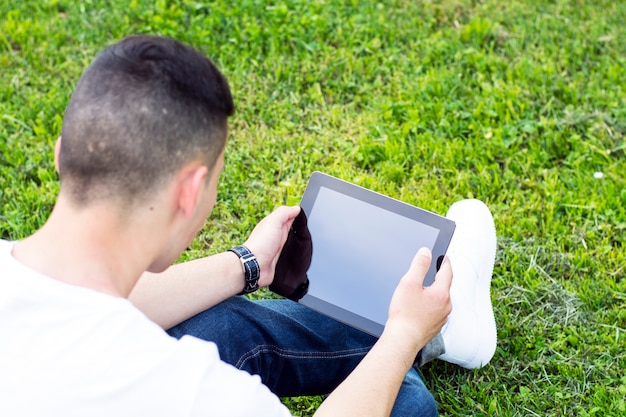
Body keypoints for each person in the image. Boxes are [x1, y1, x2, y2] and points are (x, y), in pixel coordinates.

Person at [0, 35, 497, 416]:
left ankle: (436, 330)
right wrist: (403, 335)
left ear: (62, 154)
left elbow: (106, 302)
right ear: (190, 192)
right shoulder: (188, 392)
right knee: (406, 404)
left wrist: (250, 265)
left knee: (225, 325)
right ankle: (423, 333)